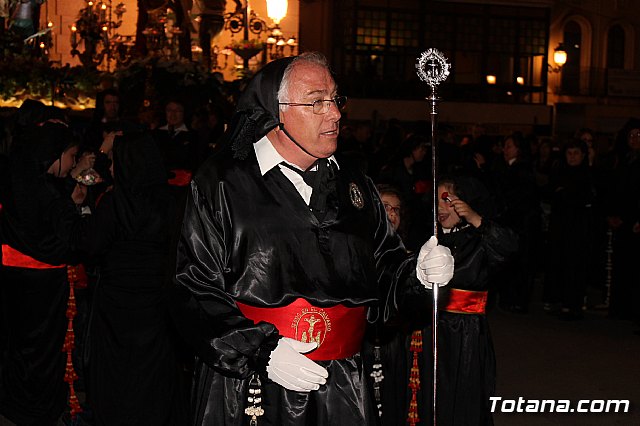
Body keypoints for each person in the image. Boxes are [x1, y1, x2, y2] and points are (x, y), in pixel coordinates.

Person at [170, 52, 454, 425]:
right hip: (253, 383)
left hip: (344, 382)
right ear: (276, 111)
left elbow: (382, 273)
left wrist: (416, 275)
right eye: (316, 101)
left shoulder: (355, 186)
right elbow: (192, 287)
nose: (335, 113)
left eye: (335, 99)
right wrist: (260, 350)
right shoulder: (223, 183)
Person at [74, 132, 188, 425]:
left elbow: (90, 247)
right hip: (157, 302)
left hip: (116, 306)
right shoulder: (171, 201)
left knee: (117, 374)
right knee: (152, 375)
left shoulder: (114, 204)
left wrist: (85, 215)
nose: (111, 169)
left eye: (114, 162)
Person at [0, 101, 89, 424]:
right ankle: (37, 409)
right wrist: (74, 209)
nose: (72, 165)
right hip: (42, 288)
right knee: (42, 353)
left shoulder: (19, 178)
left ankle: (17, 404)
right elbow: (67, 242)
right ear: (52, 155)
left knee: (18, 346)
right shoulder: (49, 195)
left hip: (13, 279)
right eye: (70, 157)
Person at [414, 175, 517, 425]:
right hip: (429, 327)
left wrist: (475, 218)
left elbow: (510, 247)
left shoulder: (478, 239)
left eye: (447, 200)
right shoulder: (429, 238)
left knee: (464, 395)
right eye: (436, 201)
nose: (440, 207)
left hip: (465, 333)